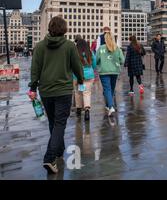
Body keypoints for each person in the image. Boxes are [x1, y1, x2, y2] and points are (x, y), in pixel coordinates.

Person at [28, 16, 84, 174]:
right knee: (60, 123)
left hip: (45, 91)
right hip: (63, 90)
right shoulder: (69, 46)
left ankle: (59, 149)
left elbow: (35, 70)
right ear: (64, 29)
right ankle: (50, 157)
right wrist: (80, 80)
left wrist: (33, 87)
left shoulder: (39, 47)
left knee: (53, 122)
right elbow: (77, 66)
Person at [96, 30, 124, 116]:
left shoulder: (101, 48)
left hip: (104, 71)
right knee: (111, 89)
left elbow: (97, 60)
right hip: (115, 71)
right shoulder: (117, 48)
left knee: (107, 89)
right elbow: (122, 60)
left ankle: (111, 106)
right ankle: (109, 105)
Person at [73, 37, 96, 121]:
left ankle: (78, 109)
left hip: (77, 76)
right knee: (87, 93)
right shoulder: (90, 52)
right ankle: (87, 110)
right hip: (89, 76)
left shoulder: (75, 53)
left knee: (78, 92)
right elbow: (94, 64)